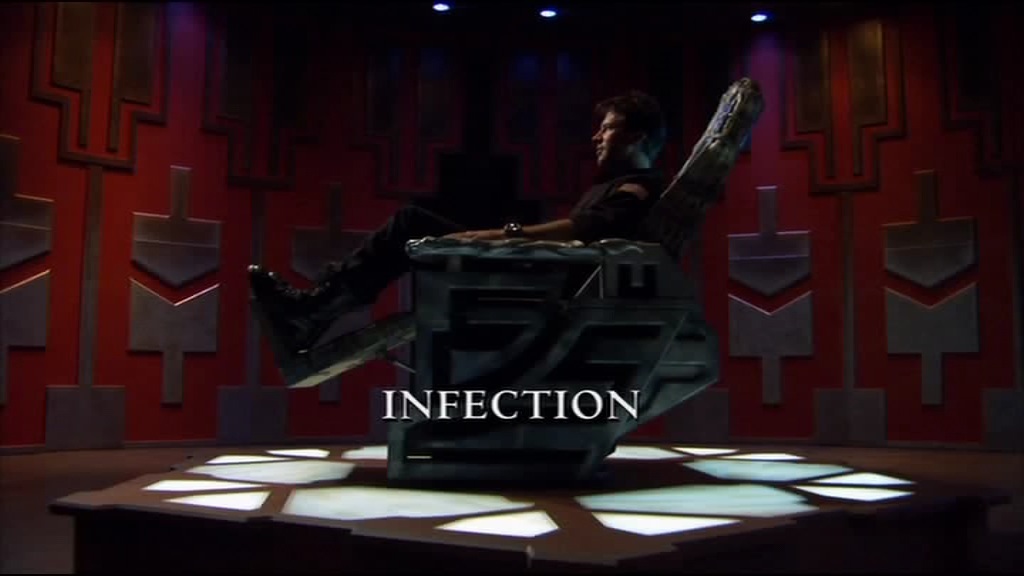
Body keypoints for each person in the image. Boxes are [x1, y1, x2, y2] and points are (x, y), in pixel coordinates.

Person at [248, 90, 669, 358]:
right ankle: (318, 312)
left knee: (411, 223)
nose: (596, 137)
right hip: (536, 275)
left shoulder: (642, 185)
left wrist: (505, 236)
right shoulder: (614, 183)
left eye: (608, 129)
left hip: (541, 289)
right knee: (414, 223)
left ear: (637, 136)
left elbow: (588, 229)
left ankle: (316, 312)